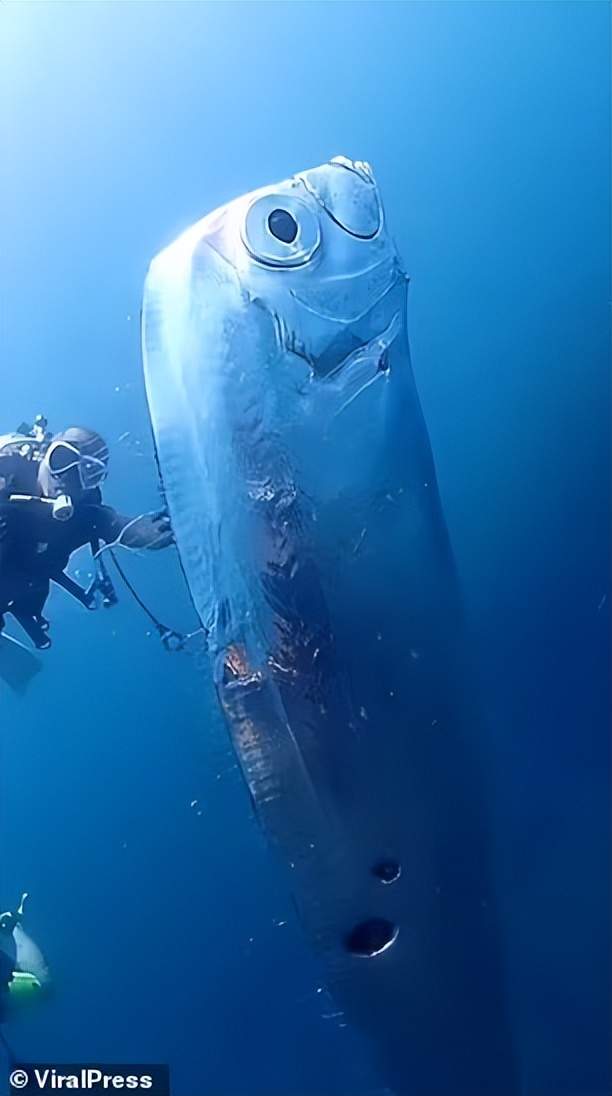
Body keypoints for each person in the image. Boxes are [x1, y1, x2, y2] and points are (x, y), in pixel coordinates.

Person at [0, 424, 173, 649]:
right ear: (46, 452)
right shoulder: (6, 471)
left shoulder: (86, 516)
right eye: (62, 459)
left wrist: (174, 525)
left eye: (89, 473)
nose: (68, 477)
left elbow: (131, 530)